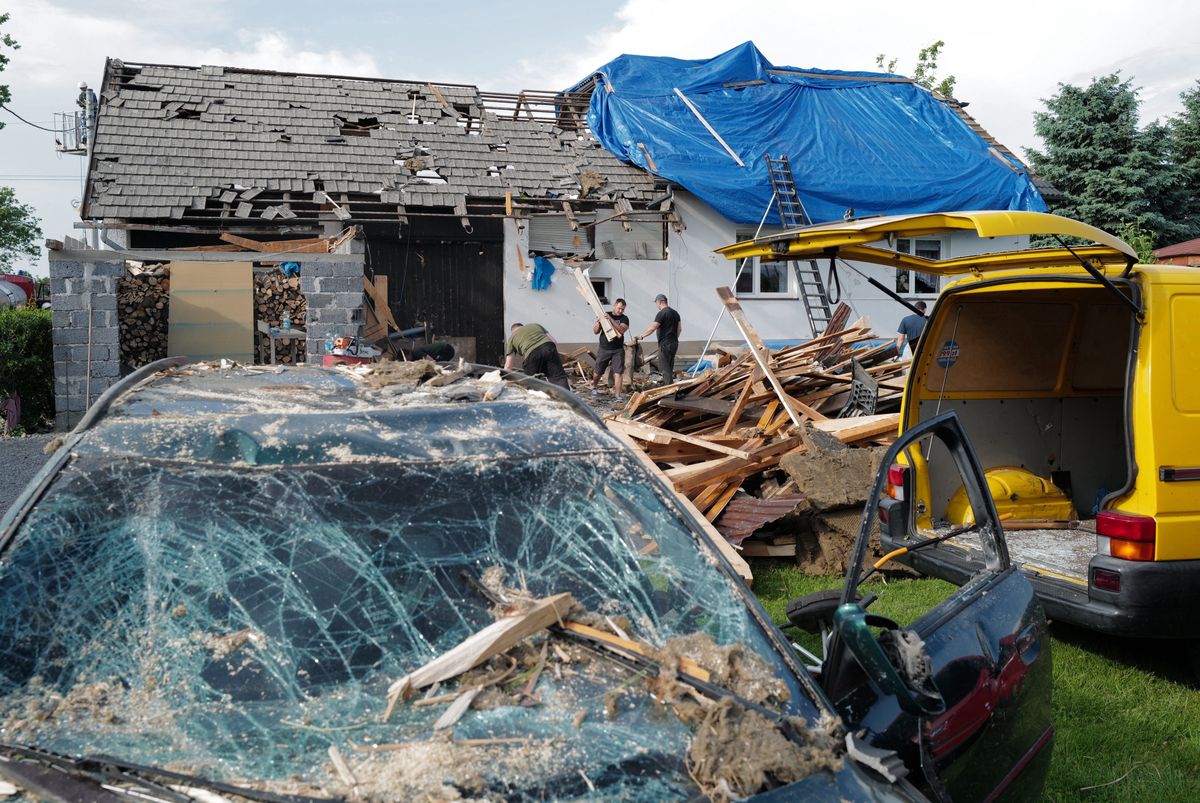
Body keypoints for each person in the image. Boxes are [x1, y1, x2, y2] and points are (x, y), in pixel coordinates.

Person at [503, 322, 570, 390]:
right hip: (548, 347)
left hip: (532, 355)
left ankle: (533, 398)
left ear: (513, 332)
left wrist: (504, 380)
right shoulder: (535, 325)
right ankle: (566, 399)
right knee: (558, 377)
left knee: (531, 382)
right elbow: (554, 341)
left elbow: (508, 366)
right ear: (523, 326)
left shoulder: (512, 337)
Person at [635, 294, 682, 384]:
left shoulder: (662, 313)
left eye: (656, 303)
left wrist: (642, 336)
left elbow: (653, 327)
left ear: (659, 302)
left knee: (664, 368)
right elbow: (679, 329)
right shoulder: (675, 313)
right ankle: (670, 386)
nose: (656, 305)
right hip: (674, 343)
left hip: (665, 344)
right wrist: (673, 339)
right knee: (669, 366)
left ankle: (669, 390)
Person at [590, 298, 630, 401]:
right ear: (615, 305)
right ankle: (594, 387)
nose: (620, 311)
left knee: (618, 372)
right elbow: (595, 331)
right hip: (604, 348)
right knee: (598, 371)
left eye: (622, 309)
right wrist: (599, 322)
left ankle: (617, 395)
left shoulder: (624, 318)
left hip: (618, 349)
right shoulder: (605, 314)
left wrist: (610, 319)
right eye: (619, 308)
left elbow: (621, 330)